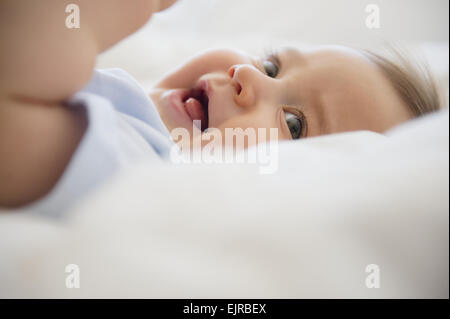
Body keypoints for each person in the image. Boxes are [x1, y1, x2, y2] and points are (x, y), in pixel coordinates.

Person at [0, 0, 440, 216]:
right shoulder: (130, 110)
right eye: (272, 64)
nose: (247, 77)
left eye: (294, 123)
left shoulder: (141, 164)